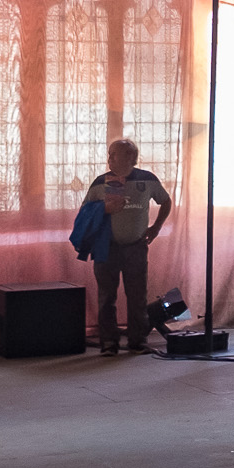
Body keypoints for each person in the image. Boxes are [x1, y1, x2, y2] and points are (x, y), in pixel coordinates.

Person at [84, 138, 171, 356]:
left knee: (137, 295)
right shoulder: (99, 183)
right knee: (106, 297)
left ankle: (137, 341)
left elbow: (166, 201)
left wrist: (156, 227)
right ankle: (108, 344)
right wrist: (106, 208)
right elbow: (85, 213)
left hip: (136, 246)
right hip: (106, 247)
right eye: (109, 154)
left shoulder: (147, 179)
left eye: (114, 154)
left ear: (131, 158)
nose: (109, 158)